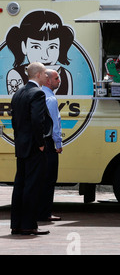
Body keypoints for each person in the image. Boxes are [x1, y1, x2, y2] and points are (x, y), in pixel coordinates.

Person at [10, 62, 53, 235]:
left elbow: (15, 121)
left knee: (20, 184)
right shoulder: (38, 93)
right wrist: (41, 143)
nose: (47, 77)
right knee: (32, 186)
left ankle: (17, 224)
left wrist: (21, 139)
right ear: (37, 75)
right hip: (34, 147)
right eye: (45, 74)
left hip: (21, 145)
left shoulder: (18, 93)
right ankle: (29, 225)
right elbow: (37, 120)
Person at [38, 69, 63, 222]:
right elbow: (55, 123)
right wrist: (58, 143)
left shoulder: (40, 95)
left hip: (40, 143)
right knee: (49, 180)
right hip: (49, 144)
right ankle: (45, 213)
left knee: (41, 179)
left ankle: (39, 211)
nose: (59, 81)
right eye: (56, 78)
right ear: (48, 81)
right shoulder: (51, 100)